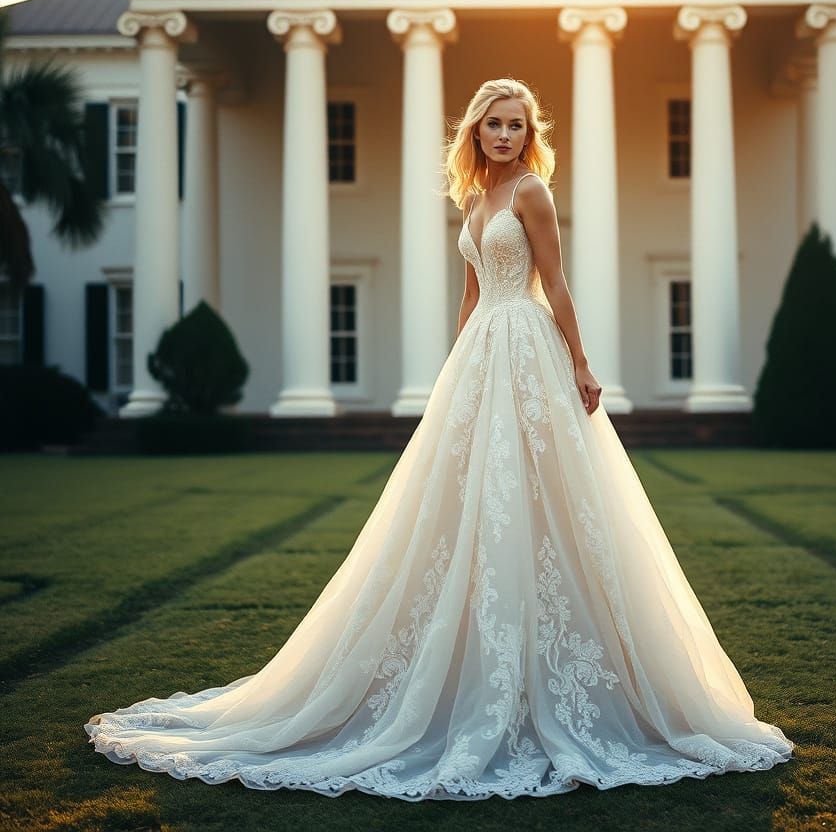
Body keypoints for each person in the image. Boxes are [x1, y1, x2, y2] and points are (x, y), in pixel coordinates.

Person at [84, 77, 794, 801]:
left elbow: (555, 285)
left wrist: (580, 362)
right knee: (460, 507)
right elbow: (470, 292)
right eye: (495, 124)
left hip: (527, 347)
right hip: (483, 352)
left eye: (518, 125)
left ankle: (569, 677)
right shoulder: (474, 198)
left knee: (547, 500)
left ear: (529, 133)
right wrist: (455, 370)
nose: (507, 135)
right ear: (476, 132)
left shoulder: (532, 194)